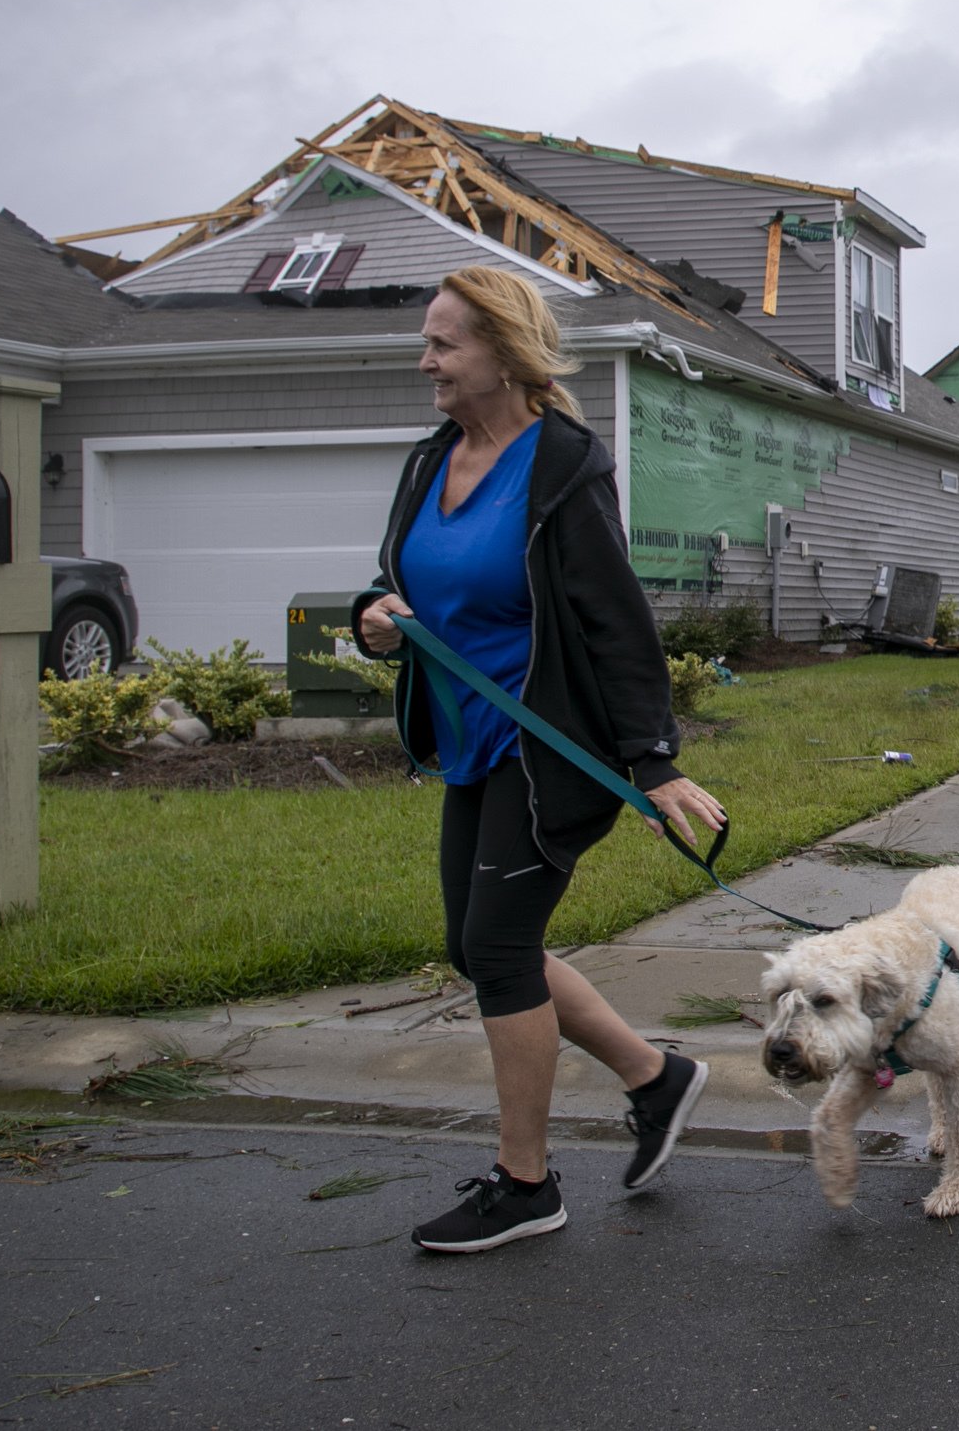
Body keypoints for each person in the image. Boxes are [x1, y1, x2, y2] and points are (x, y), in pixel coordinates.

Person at [355, 263, 727, 1254]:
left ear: (502, 353)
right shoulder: (431, 457)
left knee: (500, 950)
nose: (424, 358)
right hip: (467, 739)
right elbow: (403, 579)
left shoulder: (561, 463)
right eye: (428, 340)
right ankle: (655, 1076)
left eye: (443, 343)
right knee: (475, 943)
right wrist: (380, 619)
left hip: (541, 742)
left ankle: (526, 1182)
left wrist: (654, 761)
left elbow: (616, 621)